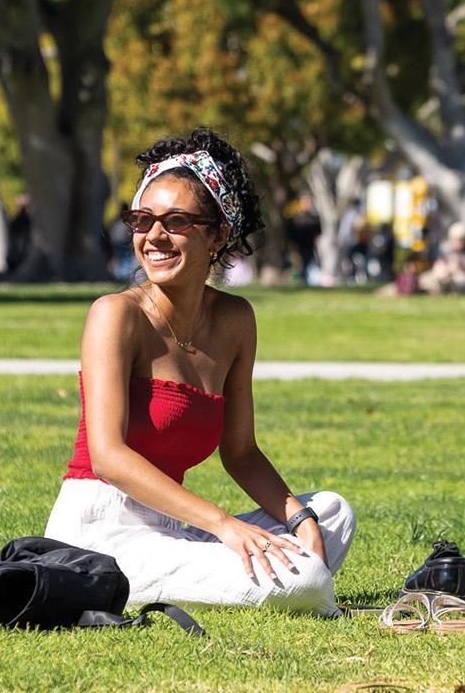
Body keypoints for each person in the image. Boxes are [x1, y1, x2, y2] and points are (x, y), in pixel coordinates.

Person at [44, 128, 355, 614]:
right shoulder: (116, 314)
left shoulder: (235, 320)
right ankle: (295, 585)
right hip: (98, 534)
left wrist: (300, 520)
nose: (154, 236)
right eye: (142, 220)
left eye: (176, 221)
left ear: (218, 235)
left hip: (169, 527)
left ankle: (272, 574)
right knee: (306, 577)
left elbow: (241, 452)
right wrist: (224, 526)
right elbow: (107, 456)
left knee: (333, 512)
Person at [419, 222, 465, 295]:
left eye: (461, 240)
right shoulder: (445, 250)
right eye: (456, 239)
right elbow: (437, 270)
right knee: (426, 279)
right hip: (448, 278)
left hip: (464, 279)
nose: (459, 242)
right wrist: (448, 269)